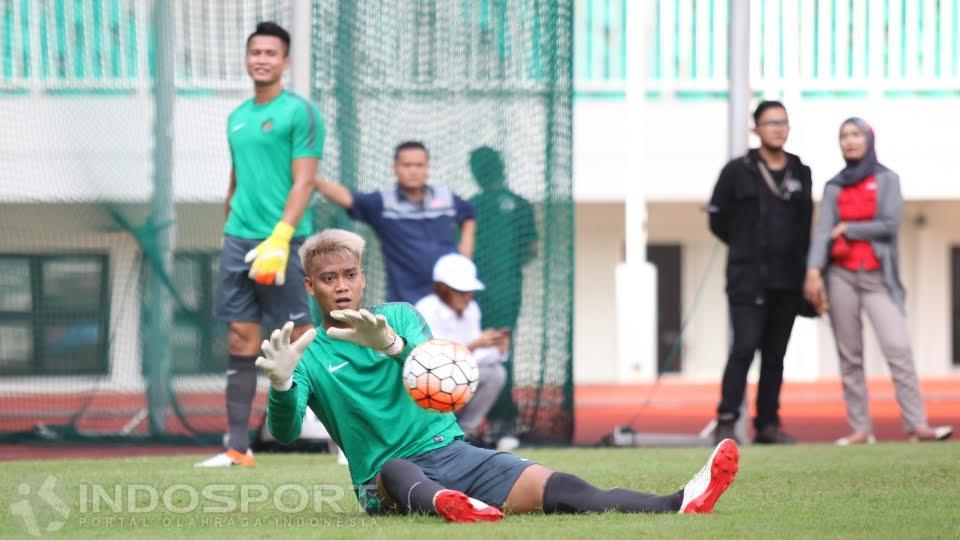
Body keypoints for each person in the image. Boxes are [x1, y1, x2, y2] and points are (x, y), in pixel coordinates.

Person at [255, 228, 740, 522]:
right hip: (383, 483)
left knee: (565, 488)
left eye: (348, 275)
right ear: (310, 286)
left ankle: (679, 502)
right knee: (396, 471)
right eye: (328, 278)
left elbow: (443, 382)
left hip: (456, 453)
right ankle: (451, 505)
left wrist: (392, 347)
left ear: (362, 277)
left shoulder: (400, 317)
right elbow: (284, 430)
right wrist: (280, 385)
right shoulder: (305, 350)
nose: (340, 286)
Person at [196, 22, 325, 468]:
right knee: (239, 335)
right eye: (256, 52)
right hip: (239, 238)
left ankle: (341, 438)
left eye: (272, 52)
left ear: (285, 61)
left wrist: (282, 235)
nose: (262, 58)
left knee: (304, 336)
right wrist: (231, 224)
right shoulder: (237, 116)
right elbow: (236, 179)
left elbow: (305, 180)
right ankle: (237, 447)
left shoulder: (300, 112)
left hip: (285, 240)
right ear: (247, 58)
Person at [803, 118, 953, 446]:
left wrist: (849, 229)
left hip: (877, 277)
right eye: (843, 136)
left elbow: (890, 224)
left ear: (869, 139)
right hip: (840, 275)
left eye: (856, 134)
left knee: (898, 347)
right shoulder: (833, 186)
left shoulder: (887, 179)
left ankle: (918, 425)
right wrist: (813, 271)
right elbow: (822, 230)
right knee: (850, 354)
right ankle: (861, 429)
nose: (849, 141)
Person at [707, 100, 812, 445]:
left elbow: (804, 225)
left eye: (783, 122)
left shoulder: (801, 171)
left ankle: (767, 424)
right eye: (770, 122)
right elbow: (717, 219)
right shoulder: (737, 170)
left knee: (775, 356)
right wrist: (745, 248)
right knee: (744, 348)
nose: (778, 128)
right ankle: (726, 419)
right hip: (746, 280)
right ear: (756, 129)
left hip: (787, 281)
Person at [314, 141, 476, 304]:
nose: (413, 171)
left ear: (427, 168)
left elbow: (469, 214)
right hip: (409, 304)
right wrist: (310, 178)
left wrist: (464, 258)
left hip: (452, 300)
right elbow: (347, 198)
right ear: (395, 168)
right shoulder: (383, 204)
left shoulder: (445, 198)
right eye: (407, 165)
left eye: (419, 165)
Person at [467, 146, 538, 431]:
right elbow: (531, 249)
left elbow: (464, 250)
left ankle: (488, 420)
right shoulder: (520, 205)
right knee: (502, 350)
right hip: (507, 289)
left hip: (476, 292)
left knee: (481, 349)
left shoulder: (473, 205)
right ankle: (501, 420)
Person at [414, 253, 510, 447]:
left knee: (495, 373)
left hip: (459, 382)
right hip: (428, 388)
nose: (468, 296)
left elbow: (476, 359)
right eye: (460, 291)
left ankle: (466, 435)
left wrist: (498, 349)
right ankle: (434, 435)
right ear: (442, 288)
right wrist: (475, 345)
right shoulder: (425, 308)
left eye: (470, 291)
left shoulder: (472, 308)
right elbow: (431, 361)